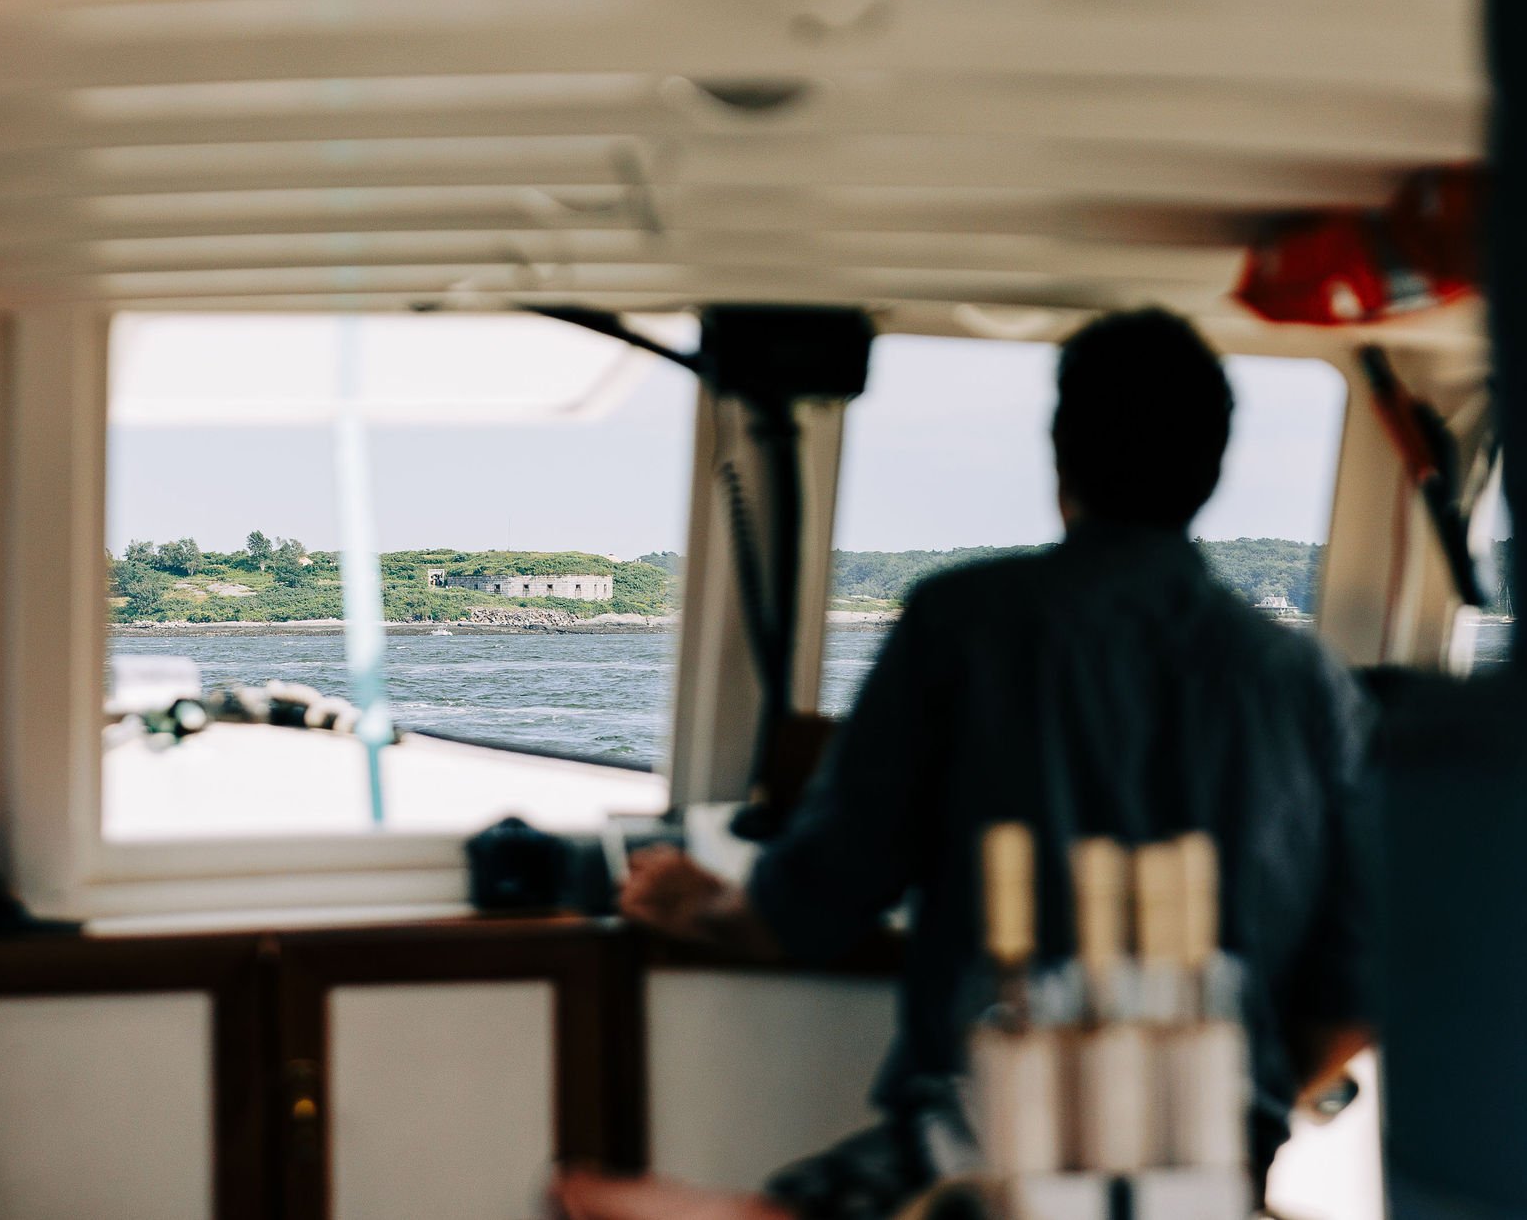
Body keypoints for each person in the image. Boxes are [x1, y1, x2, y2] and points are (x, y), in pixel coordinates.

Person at [555, 309, 1375, 1220]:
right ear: (1214, 471)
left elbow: (822, 897)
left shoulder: (964, 623)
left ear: (1062, 455)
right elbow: (1350, 995)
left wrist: (705, 904)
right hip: (1215, 1162)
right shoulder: (1311, 682)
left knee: (599, 1203)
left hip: (985, 1144)